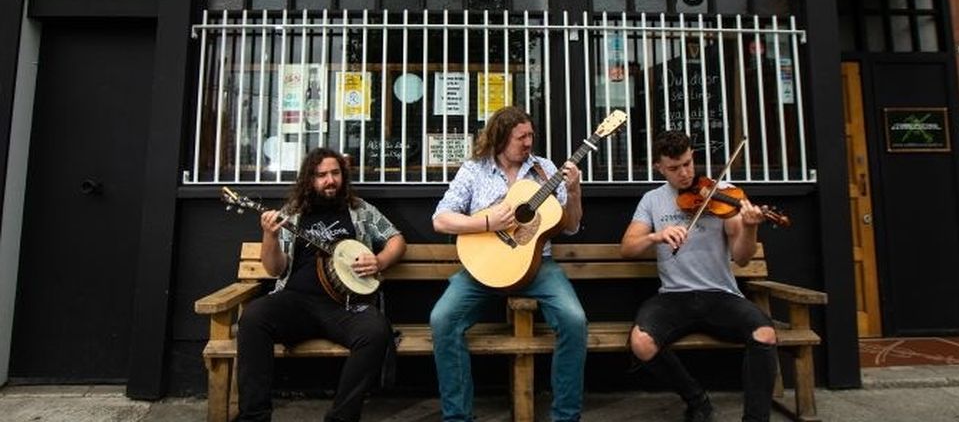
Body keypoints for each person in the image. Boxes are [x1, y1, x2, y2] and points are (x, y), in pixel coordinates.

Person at [429, 106, 587, 422]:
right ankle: (457, 417)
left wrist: (573, 189)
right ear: (501, 138)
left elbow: (569, 226)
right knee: (442, 319)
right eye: (521, 137)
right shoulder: (474, 170)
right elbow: (441, 220)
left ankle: (566, 416)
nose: (529, 142)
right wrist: (487, 221)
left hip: (537, 267)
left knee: (575, 321)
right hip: (484, 267)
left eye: (531, 135)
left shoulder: (545, 170)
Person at [236, 147, 407, 422]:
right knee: (253, 318)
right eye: (322, 175)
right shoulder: (291, 214)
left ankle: (342, 417)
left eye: (335, 173)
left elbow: (397, 239)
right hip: (296, 302)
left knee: (376, 330)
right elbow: (275, 269)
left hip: (346, 306)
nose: (330, 180)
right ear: (309, 180)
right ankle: (254, 416)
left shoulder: (360, 210)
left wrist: (380, 261)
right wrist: (269, 236)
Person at [620, 130, 777, 422]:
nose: (685, 173)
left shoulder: (724, 194)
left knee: (765, 334)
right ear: (659, 167)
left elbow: (742, 258)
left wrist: (749, 227)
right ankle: (697, 400)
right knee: (641, 343)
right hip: (674, 297)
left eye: (689, 163)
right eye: (674, 168)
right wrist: (656, 236)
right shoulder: (652, 200)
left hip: (721, 294)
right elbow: (627, 248)